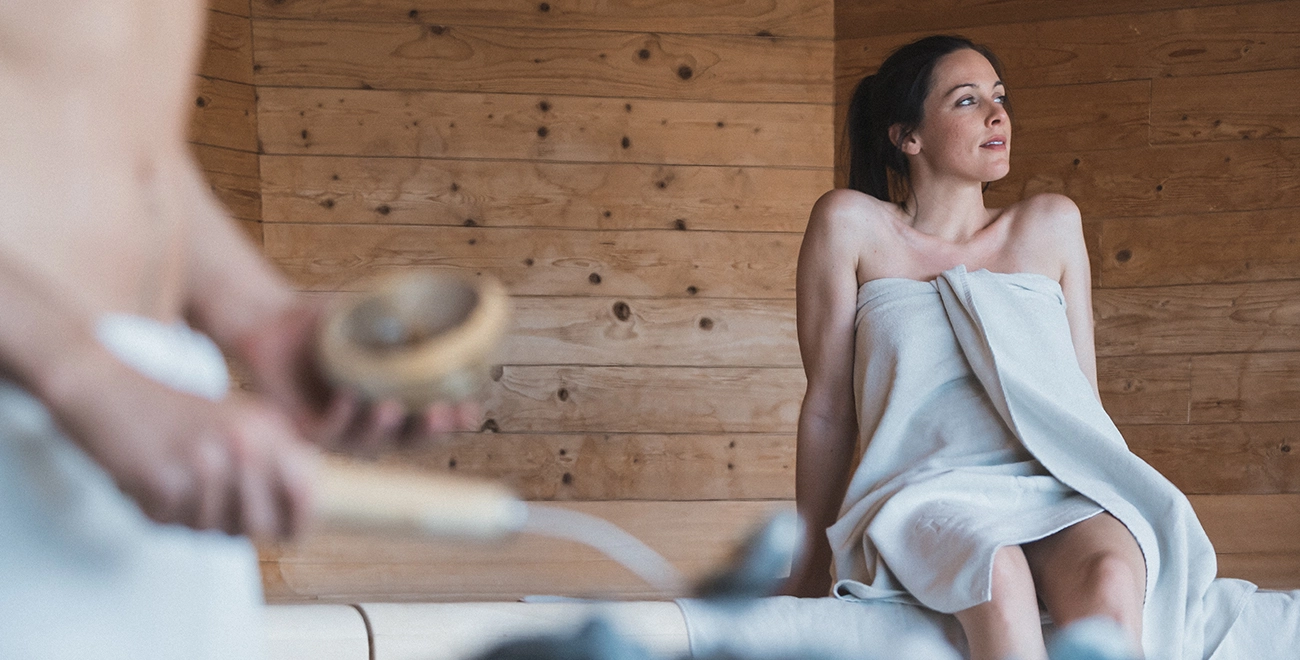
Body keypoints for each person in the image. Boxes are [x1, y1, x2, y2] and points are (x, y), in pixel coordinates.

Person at [0, 1, 475, 657]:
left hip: (152, 418)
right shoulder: (82, 377)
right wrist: (85, 374)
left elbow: (123, 136)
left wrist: (259, 317)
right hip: (41, 388)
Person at [782, 36, 1243, 660]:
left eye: (999, 98)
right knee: (994, 572)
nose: (997, 115)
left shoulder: (1050, 224)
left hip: (1058, 484)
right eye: (967, 101)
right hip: (928, 489)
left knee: (1110, 582)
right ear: (907, 136)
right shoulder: (851, 225)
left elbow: (1082, 398)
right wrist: (809, 563)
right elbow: (830, 409)